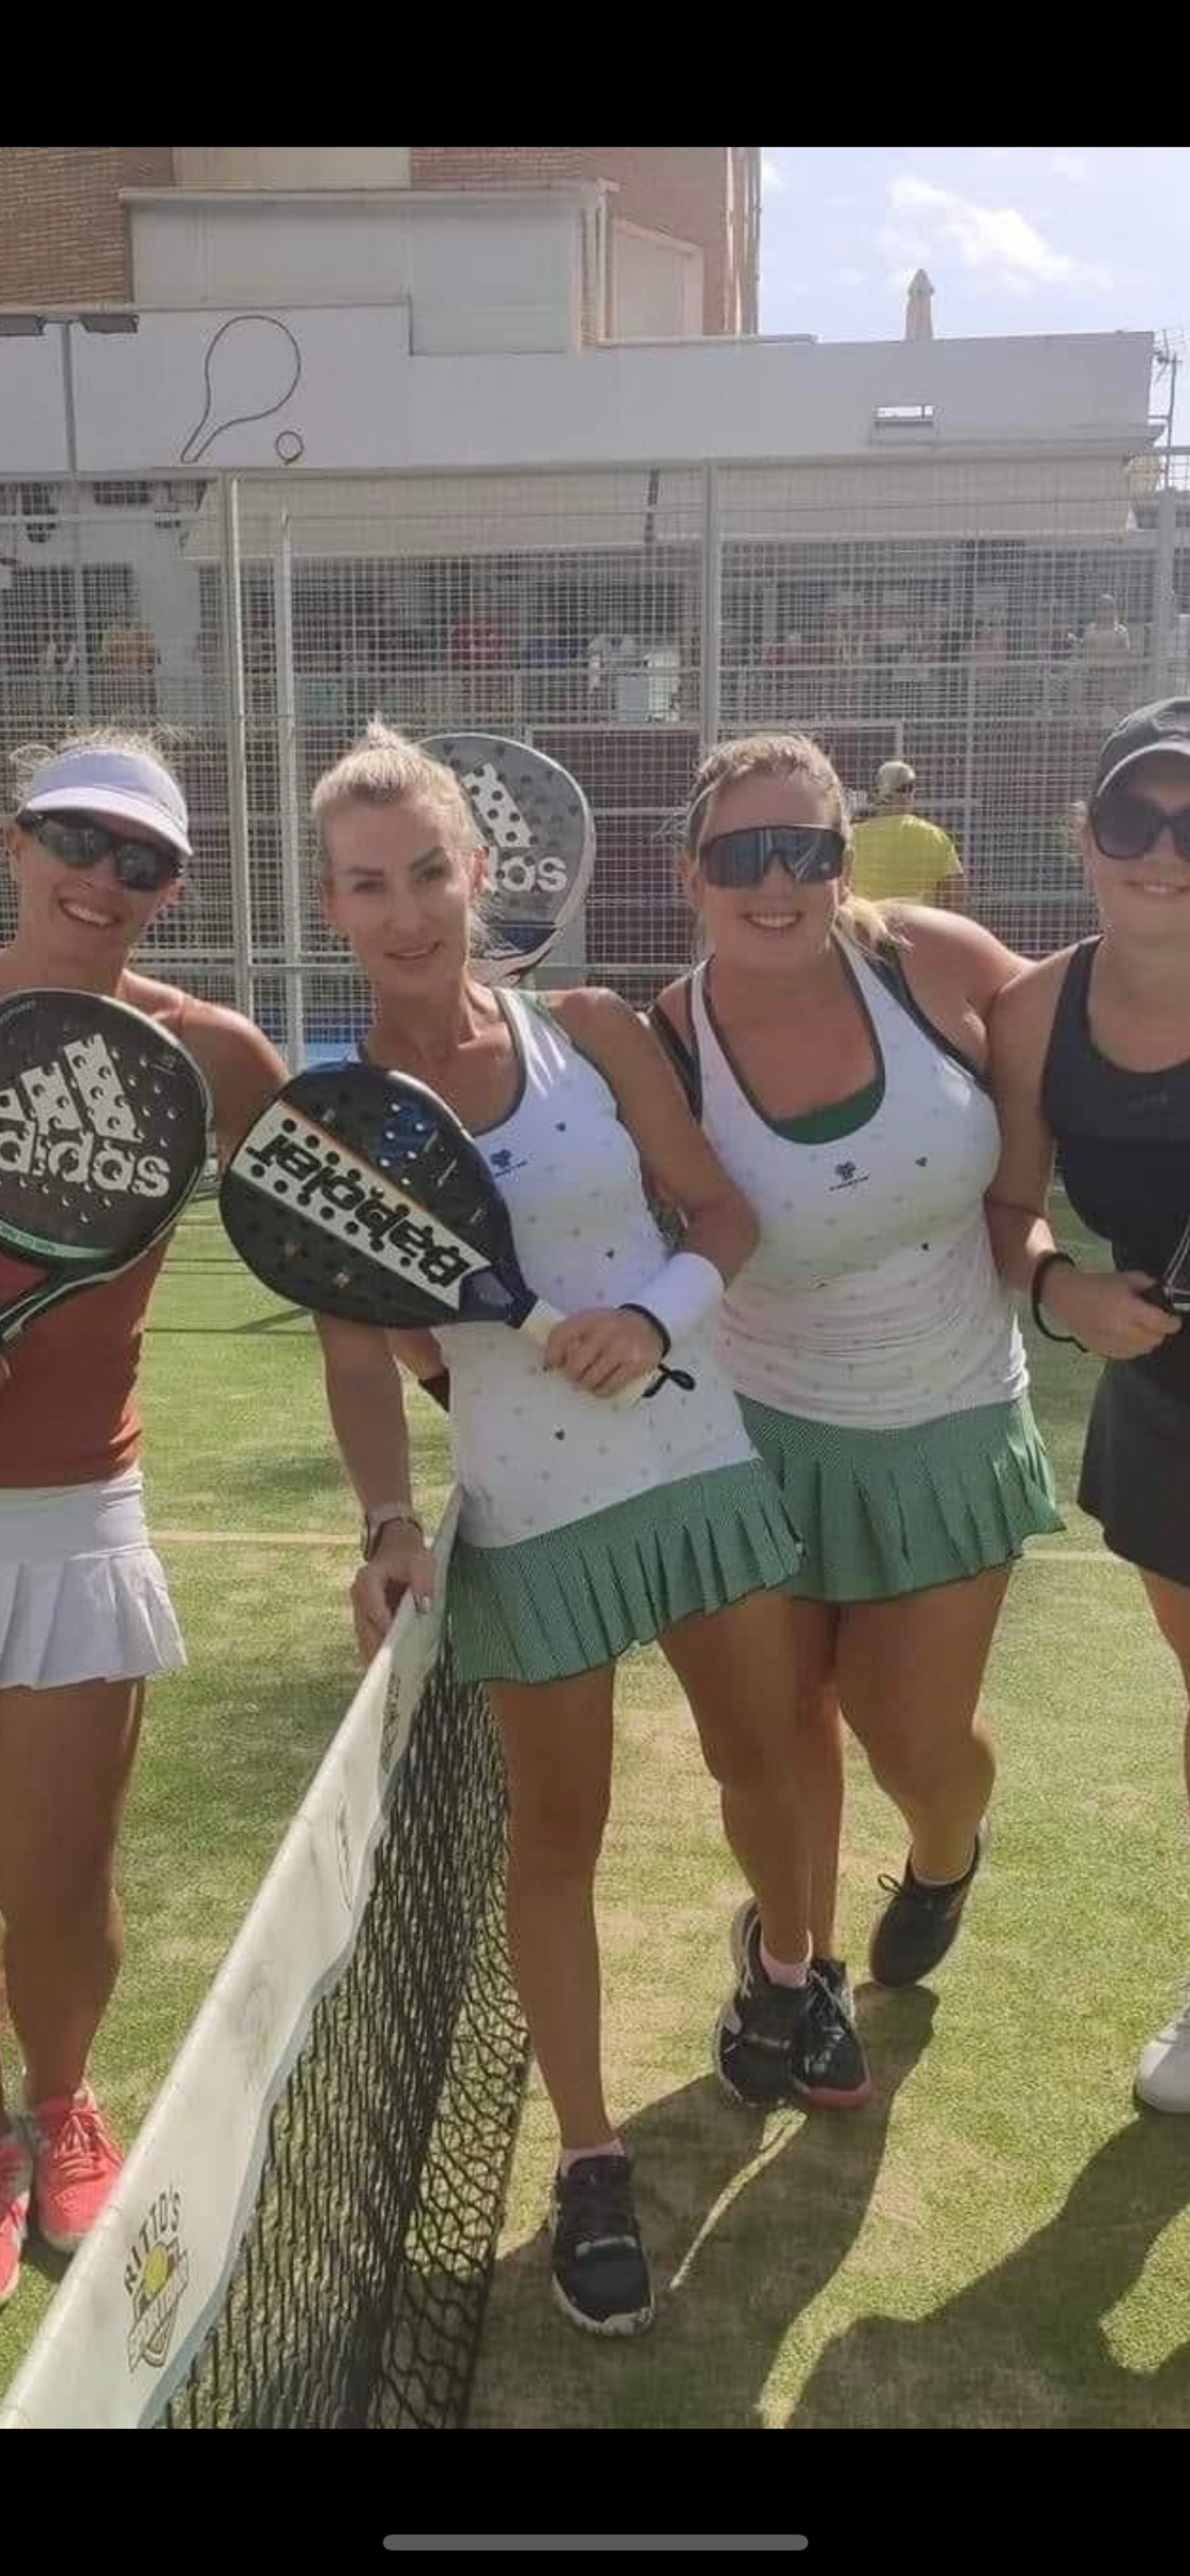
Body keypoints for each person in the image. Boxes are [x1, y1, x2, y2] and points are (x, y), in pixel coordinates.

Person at [308, 721, 869, 2343]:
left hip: (693, 1465)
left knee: (766, 1763)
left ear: (478, 872)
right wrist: (388, 1520)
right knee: (554, 1840)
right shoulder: (337, 1115)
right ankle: (590, 2155)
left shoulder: (596, 1030)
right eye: (367, 884)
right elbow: (358, 1353)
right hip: (531, 1516)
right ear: (332, 906)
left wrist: (653, 1314)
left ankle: (788, 1967)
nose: (406, 909)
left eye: (428, 870)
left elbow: (722, 1211)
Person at [650, 732, 1059, 2017]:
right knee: (780, 1734)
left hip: (951, 1423)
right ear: (690, 874)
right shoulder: (664, 1039)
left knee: (915, 1740)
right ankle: (801, 1967)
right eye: (740, 854)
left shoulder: (937, 962)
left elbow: (1106, 1038)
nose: (775, 881)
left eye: (805, 850)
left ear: (844, 859)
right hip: (754, 1436)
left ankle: (945, 1855)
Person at [0, 732, 287, 2310]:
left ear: (171, 886)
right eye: (76, 840)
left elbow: (341, 1244)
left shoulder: (212, 1054)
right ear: (15, 840)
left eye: (143, 860)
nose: (103, 878)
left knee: (59, 1875)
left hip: (71, 1518)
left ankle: (58, 2098)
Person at [987, 698, 1190, 2115]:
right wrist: (1064, 1293)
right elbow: (1009, 1209)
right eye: (1134, 820)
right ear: (1085, 837)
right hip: (1164, 1394)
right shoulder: (1035, 1011)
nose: (1163, 853)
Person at [851, 759, 963, 909]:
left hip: (868, 920)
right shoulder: (935, 837)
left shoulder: (853, 836)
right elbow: (955, 892)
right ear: (912, 794)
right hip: (917, 920)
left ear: (877, 792)